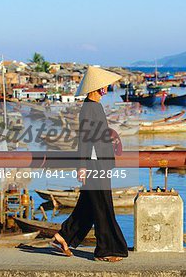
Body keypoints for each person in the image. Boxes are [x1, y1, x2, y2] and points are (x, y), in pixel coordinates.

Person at [51, 67, 128, 262]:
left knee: (87, 206)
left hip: (101, 163)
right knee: (102, 206)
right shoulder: (89, 108)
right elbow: (85, 139)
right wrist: (82, 166)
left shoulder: (96, 106)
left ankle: (64, 237)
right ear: (96, 88)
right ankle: (106, 249)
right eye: (104, 87)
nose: (106, 90)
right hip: (94, 165)